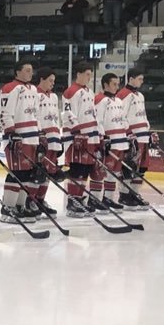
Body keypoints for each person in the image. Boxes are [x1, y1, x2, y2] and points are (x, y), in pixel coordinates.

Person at [0, 61, 44, 223]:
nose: (30, 73)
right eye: (27, 70)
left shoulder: (33, 89)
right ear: (17, 72)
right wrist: (11, 133)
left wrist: (40, 133)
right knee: (16, 172)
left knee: (27, 173)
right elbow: (4, 114)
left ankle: (19, 206)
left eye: (31, 70)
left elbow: (37, 114)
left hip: (32, 137)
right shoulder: (10, 88)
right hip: (18, 137)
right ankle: (7, 208)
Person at [61, 67, 100, 218]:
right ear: (78, 74)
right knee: (77, 168)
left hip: (90, 136)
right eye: (87, 74)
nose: (89, 77)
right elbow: (67, 113)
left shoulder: (90, 92)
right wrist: (76, 131)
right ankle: (72, 202)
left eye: (90, 75)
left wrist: (98, 135)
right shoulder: (71, 91)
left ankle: (79, 199)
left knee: (85, 170)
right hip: (77, 136)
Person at [114, 69, 152, 210]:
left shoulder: (140, 95)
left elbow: (142, 115)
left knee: (142, 167)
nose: (141, 82)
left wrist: (148, 131)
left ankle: (134, 194)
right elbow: (120, 116)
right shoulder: (123, 95)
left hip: (143, 135)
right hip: (133, 136)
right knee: (129, 166)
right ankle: (124, 195)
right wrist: (128, 134)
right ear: (131, 79)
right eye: (139, 79)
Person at [91, 73, 130, 212]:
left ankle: (108, 198)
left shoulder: (119, 101)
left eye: (118, 84)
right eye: (114, 84)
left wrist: (127, 132)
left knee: (115, 171)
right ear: (105, 84)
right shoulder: (100, 100)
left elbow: (124, 120)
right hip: (109, 141)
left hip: (120, 141)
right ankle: (94, 198)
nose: (117, 87)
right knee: (103, 170)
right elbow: (97, 121)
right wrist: (102, 140)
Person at [31, 68, 64, 215]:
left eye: (54, 81)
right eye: (50, 80)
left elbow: (56, 118)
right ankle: (30, 200)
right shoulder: (34, 95)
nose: (52, 83)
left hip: (54, 137)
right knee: (38, 171)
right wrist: (39, 135)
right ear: (42, 79)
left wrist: (59, 137)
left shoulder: (54, 97)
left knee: (49, 172)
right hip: (41, 138)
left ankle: (40, 199)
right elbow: (34, 116)